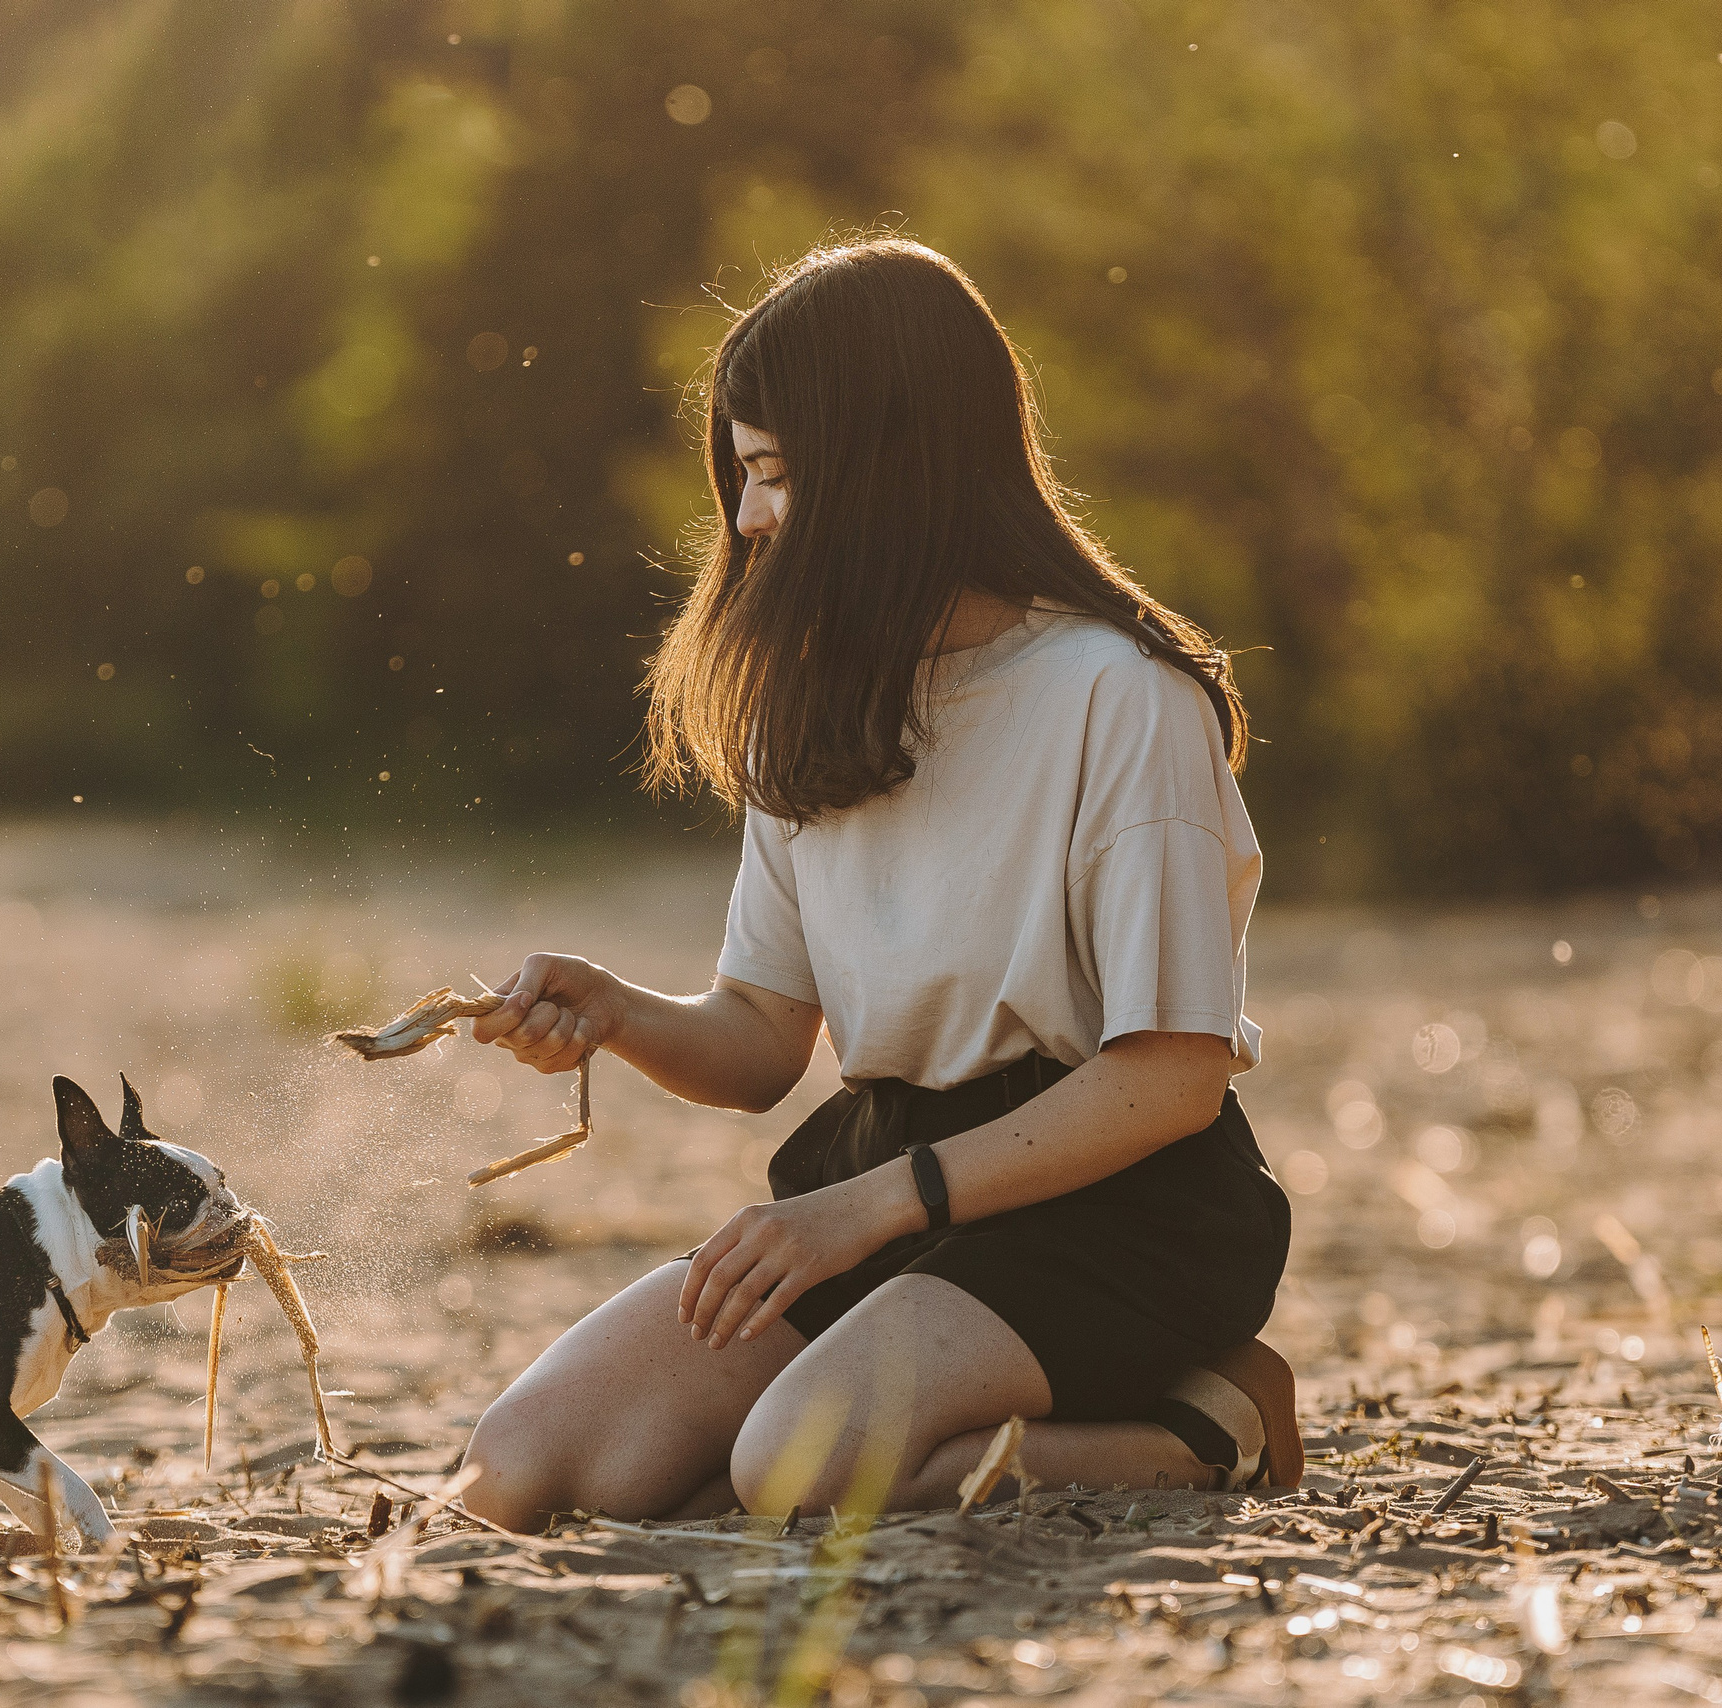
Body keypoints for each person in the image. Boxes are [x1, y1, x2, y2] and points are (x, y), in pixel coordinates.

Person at [459, 239, 1298, 1533]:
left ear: (890, 465)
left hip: (1122, 1209)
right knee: (533, 1470)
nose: (747, 521)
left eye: (777, 474)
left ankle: (1210, 1420)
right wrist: (619, 1011)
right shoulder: (816, 709)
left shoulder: (1122, 701)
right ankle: (939, 1403)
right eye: (743, 477)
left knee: (796, 1470)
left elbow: (1173, 1074)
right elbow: (756, 1044)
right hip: (885, 1183)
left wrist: (867, 1211)